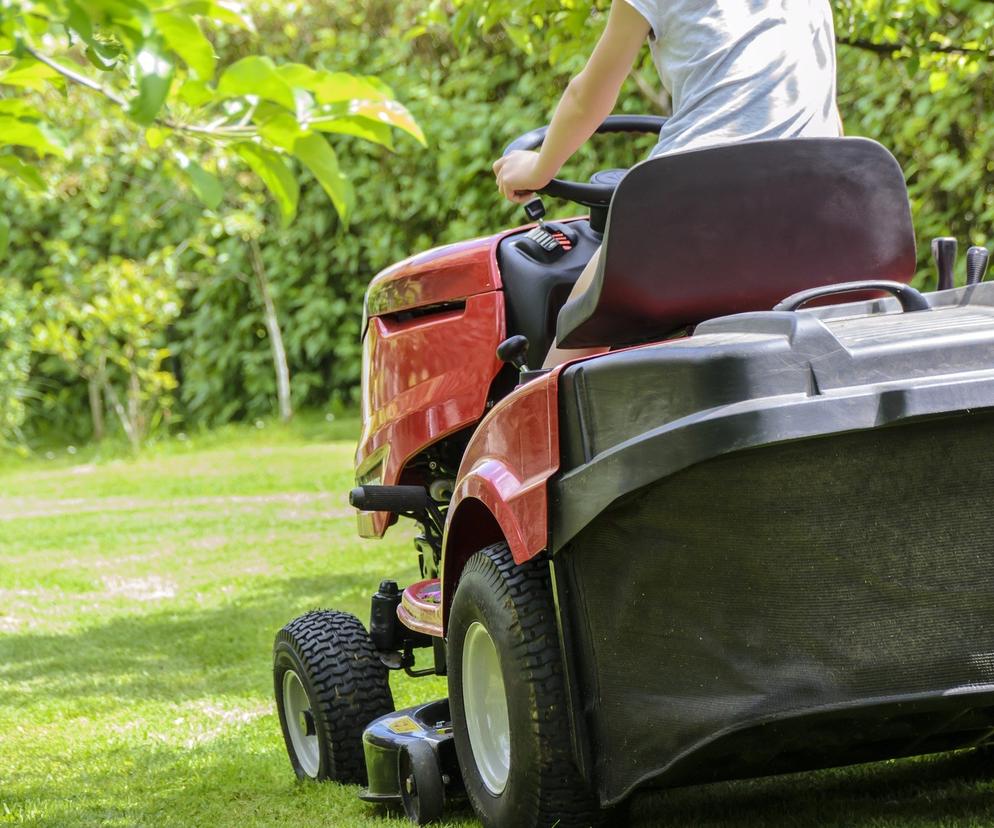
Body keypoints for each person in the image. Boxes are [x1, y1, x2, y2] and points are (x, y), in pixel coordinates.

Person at [492, 0, 842, 368]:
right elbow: (828, 114)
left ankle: (542, 409)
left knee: (580, 321)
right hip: (816, 213)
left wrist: (538, 169)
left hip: (698, 201)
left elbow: (588, 97)